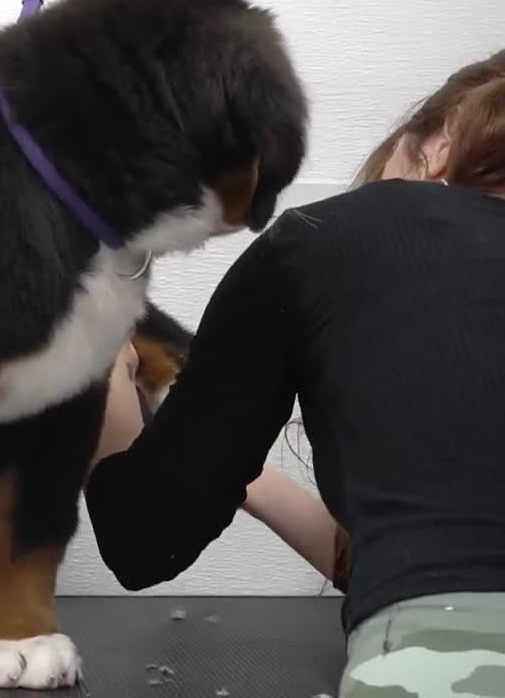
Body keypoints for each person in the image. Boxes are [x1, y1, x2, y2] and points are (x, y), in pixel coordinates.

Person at [85, 49, 505, 697]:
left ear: (441, 141)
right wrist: (228, 462)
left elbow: (145, 540)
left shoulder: (331, 236)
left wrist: (102, 370)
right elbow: (416, 551)